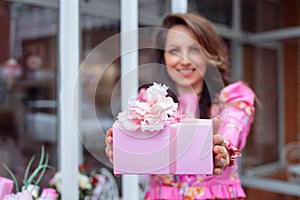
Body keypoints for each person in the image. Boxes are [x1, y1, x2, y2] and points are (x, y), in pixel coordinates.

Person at [105, 12, 255, 200]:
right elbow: (139, 150)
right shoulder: (148, 100)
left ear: (209, 54)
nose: (184, 60)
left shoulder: (234, 96)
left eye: (194, 49)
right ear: (163, 57)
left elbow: (233, 131)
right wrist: (122, 150)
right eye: (174, 50)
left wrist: (222, 150)